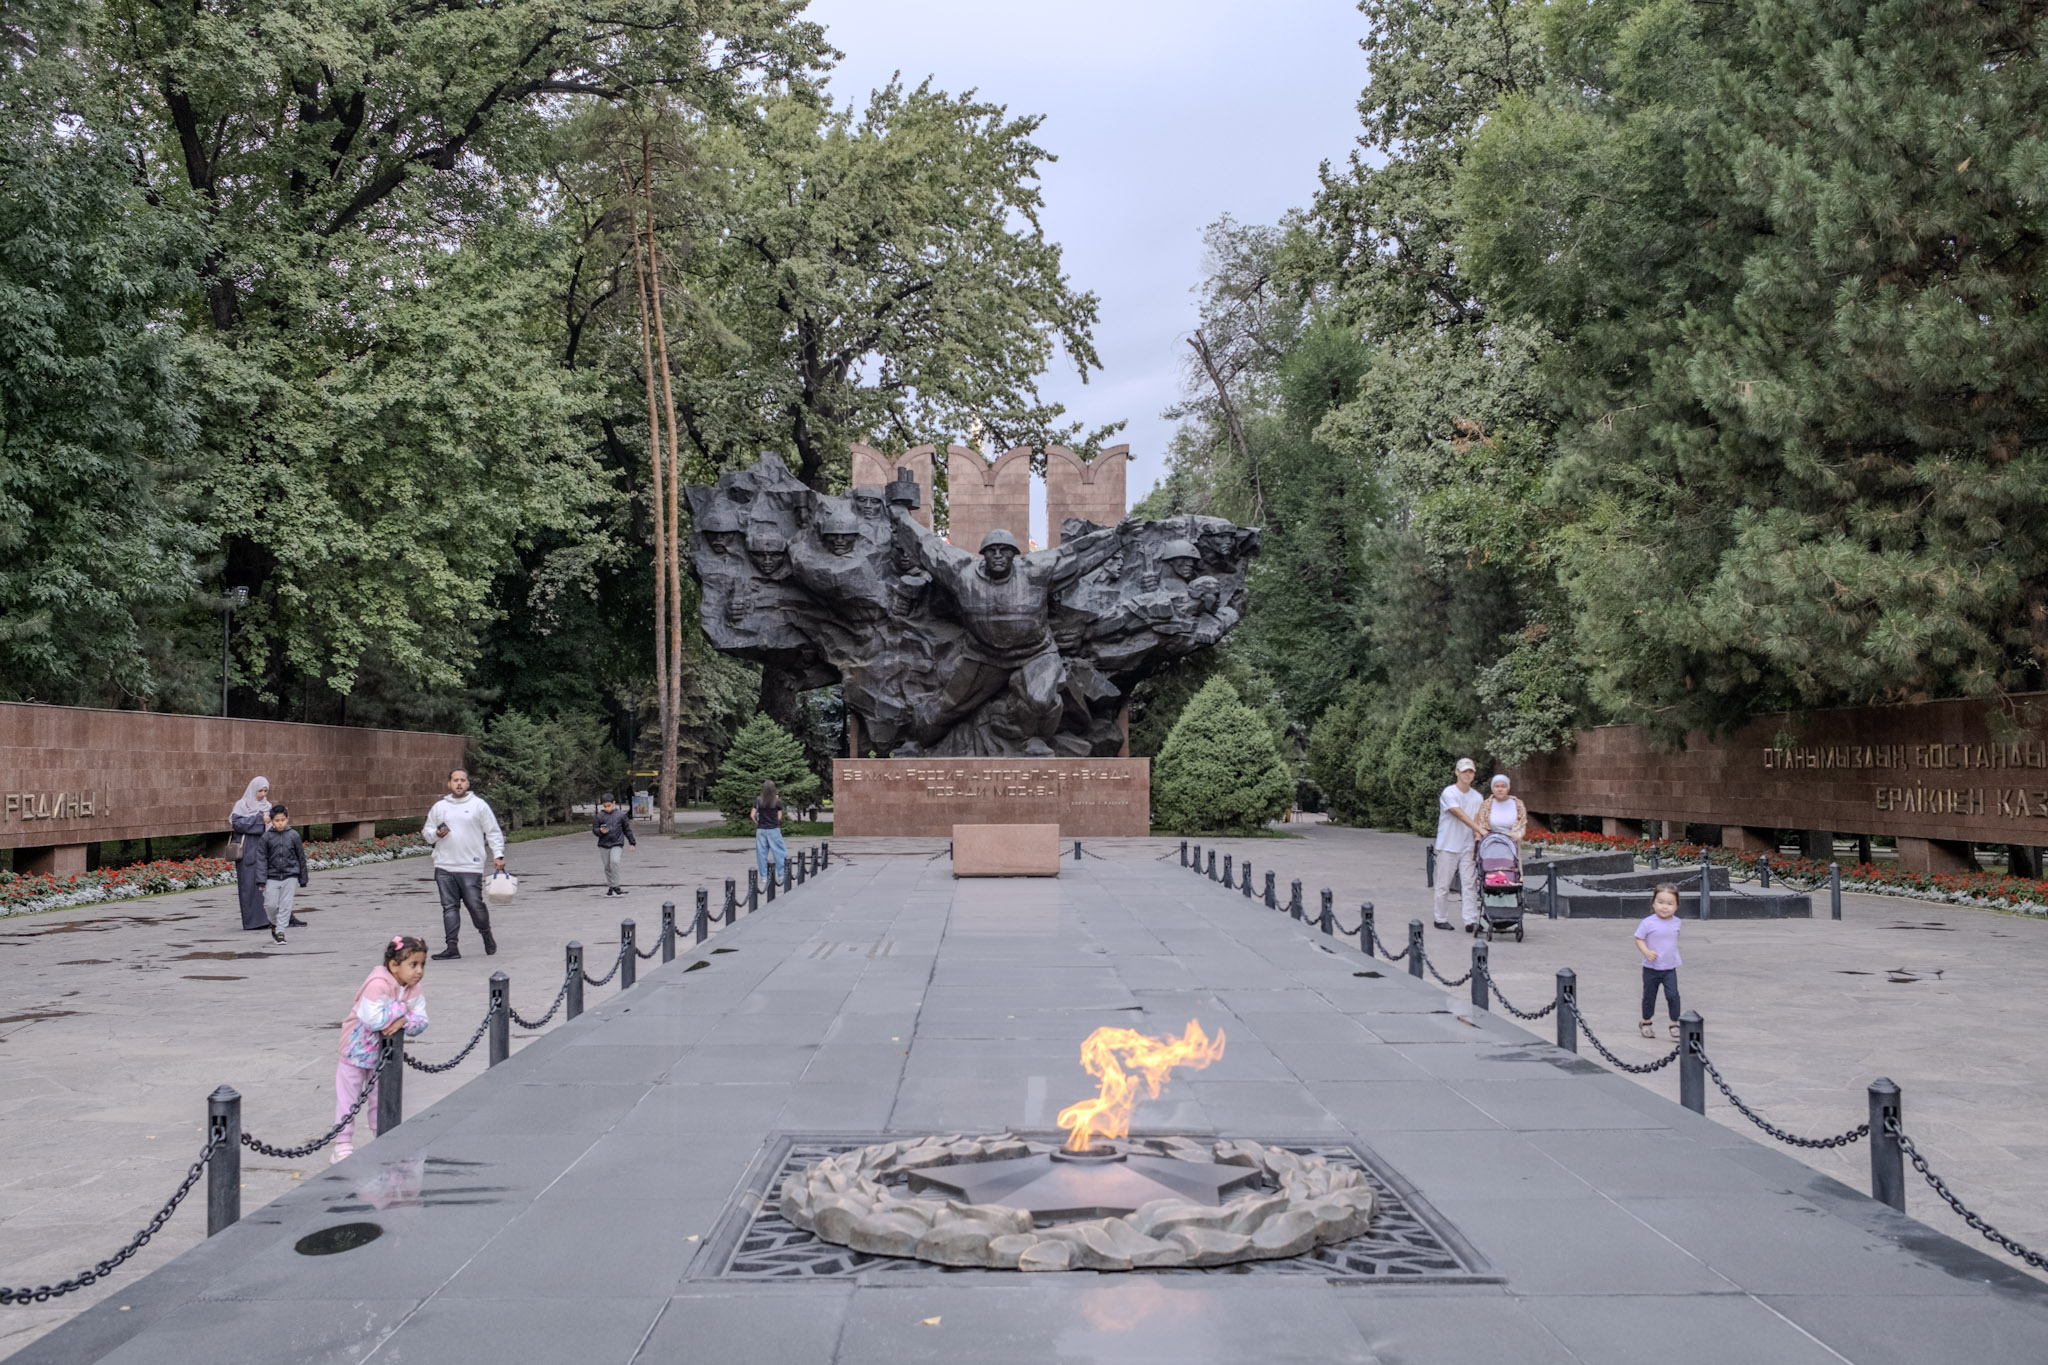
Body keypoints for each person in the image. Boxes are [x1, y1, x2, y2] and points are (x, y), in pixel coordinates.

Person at [333, 935, 430, 1164]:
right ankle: (342, 1145)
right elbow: (372, 1019)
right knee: (349, 1099)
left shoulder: (413, 989)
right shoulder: (378, 984)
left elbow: (422, 1021)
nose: (419, 971)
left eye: (422, 964)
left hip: (384, 1056)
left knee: (380, 1099)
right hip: (355, 1051)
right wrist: (403, 1013)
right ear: (394, 965)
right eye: (413, 964)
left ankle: (384, 1139)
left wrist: (405, 1020)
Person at [422, 768, 505, 960]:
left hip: (470, 865)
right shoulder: (439, 807)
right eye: (455, 780)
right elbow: (427, 833)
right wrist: (436, 834)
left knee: (475, 905)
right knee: (449, 907)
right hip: (444, 865)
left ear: (468, 783)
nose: (458, 784)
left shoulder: (478, 805)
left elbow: (492, 831)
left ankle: (486, 934)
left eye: (462, 780)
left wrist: (498, 854)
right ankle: (452, 947)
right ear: (449, 783)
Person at [1432, 758, 1486, 932]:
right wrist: (1479, 829)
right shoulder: (1449, 793)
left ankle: (1470, 920)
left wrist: (1478, 833)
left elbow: (1477, 817)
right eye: (1464, 771)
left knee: (1469, 883)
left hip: (1467, 845)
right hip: (1448, 844)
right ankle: (1440, 918)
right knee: (1443, 883)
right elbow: (1459, 814)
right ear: (1457, 772)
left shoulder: (1477, 797)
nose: (1467, 775)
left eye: (1470, 772)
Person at [1636, 883, 1683, 1040]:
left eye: (1670, 904)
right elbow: (1639, 938)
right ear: (1653, 903)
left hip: (1670, 967)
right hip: (1651, 967)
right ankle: (1646, 1021)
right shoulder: (1648, 922)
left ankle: (1674, 1023)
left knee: (1673, 995)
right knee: (1649, 996)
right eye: (1660, 902)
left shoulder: (1677, 922)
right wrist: (1646, 952)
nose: (1664, 907)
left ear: (1676, 906)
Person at [258, 805, 309, 944]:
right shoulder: (266, 837)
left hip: (290, 874)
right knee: (270, 905)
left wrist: (303, 878)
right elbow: (261, 859)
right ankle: (275, 924)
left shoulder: (293, 835)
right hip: (272, 876)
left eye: (283, 819)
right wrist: (261, 880)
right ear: (271, 821)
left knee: (286, 904)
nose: (280, 823)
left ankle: (280, 931)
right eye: (277, 820)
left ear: (287, 819)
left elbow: (300, 857)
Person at [229, 776, 273, 931]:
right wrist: (260, 819)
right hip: (247, 848)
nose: (262, 794)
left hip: (262, 847)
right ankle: (252, 921)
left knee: (264, 884)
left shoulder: (267, 806)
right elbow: (237, 824)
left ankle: (266, 918)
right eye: (260, 790)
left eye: (265, 790)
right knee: (248, 884)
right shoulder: (242, 805)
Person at [591, 792, 636, 896]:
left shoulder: (621, 815)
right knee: (607, 866)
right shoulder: (600, 816)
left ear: (614, 803)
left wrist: (632, 842)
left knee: (614, 862)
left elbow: (627, 830)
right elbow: (594, 830)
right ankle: (611, 887)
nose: (607, 808)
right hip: (604, 844)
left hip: (617, 843)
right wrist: (600, 831)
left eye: (609, 806)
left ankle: (616, 886)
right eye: (605, 806)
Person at [752, 779, 787, 887]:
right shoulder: (777, 801)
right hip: (773, 829)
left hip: (761, 829)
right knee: (779, 852)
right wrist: (774, 821)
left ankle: (764, 877)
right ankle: (782, 875)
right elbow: (779, 816)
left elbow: (752, 815)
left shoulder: (758, 800)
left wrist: (758, 823)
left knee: (761, 854)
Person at [1485, 774, 1528, 841]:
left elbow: (1522, 826)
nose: (1500, 789)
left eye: (1503, 786)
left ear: (1508, 788)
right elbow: (1481, 826)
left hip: (1512, 843)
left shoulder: (1518, 804)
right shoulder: (1485, 805)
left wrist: (1517, 835)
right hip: (1490, 842)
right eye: (1497, 786)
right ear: (1492, 789)